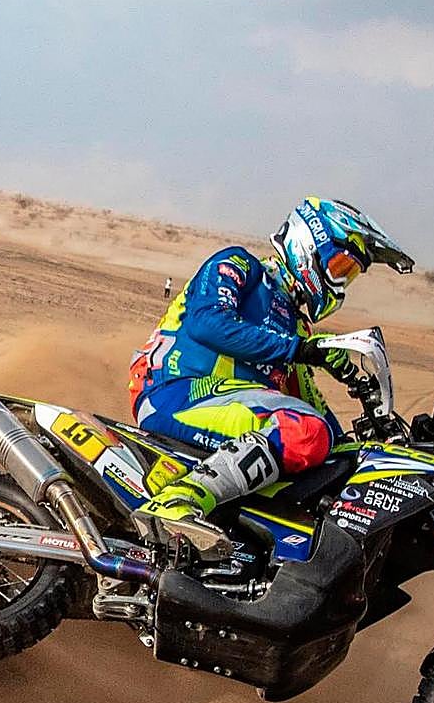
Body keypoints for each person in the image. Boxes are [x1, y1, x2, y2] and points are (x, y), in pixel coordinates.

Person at [129, 197, 413, 550]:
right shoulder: (240, 265)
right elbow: (207, 323)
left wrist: (368, 446)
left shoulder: (296, 325)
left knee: (331, 455)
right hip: (177, 390)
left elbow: (312, 409)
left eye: (350, 275)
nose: (341, 281)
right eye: (340, 266)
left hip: (231, 409)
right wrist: (302, 350)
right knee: (305, 431)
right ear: (309, 244)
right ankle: (177, 501)